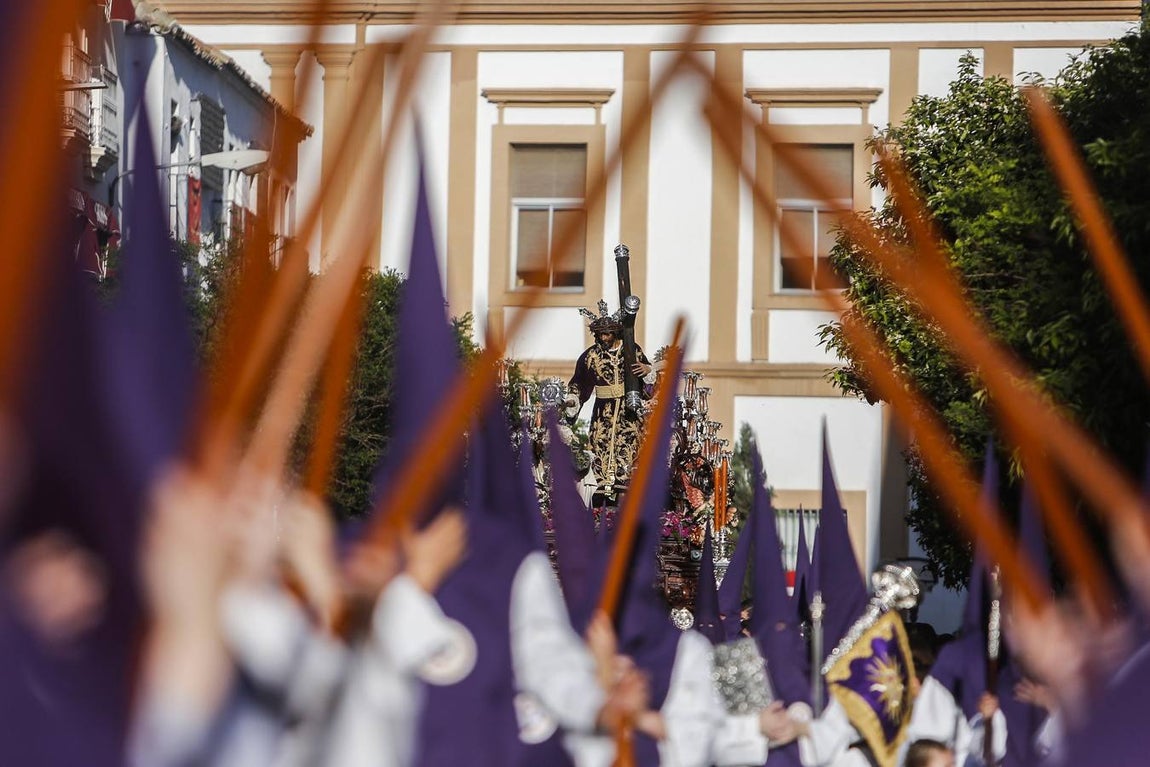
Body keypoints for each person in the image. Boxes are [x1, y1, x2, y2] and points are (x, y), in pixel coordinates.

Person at [565, 312, 654, 500]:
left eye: (607, 334)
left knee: (630, 447)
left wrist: (647, 370)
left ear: (615, 332)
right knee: (600, 445)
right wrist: (573, 400)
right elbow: (579, 384)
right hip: (602, 413)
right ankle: (601, 495)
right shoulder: (590, 356)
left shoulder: (631, 350)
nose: (603, 338)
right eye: (599, 334)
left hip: (628, 412)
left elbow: (647, 379)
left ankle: (627, 493)